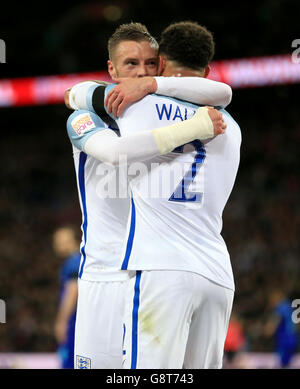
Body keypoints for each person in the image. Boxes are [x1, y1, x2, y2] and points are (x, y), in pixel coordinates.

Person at [65, 22, 231, 369]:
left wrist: (154, 88)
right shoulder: (86, 118)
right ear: (111, 69)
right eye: (131, 64)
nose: (141, 73)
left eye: (150, 64)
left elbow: (220, 92)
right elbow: (115, 151)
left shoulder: (153, 110)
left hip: (154, 271)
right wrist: (193, 128)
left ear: (162, 66)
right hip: (105, 276)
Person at [53, 225, 81, 369]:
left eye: (59, 240)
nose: (56, 244)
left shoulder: (74, 262)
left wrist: (62, 321)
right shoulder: (79, 260)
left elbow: (72, 292)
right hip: (77, 320)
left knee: (70, 361)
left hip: (73, 321)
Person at [264, 289, 299, 368]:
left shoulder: (281, 307)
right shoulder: (288, 306)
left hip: (284, 340)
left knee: (283, 364)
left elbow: (274, 324)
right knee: (287, 364)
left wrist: (268, 330)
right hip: (292, 339)